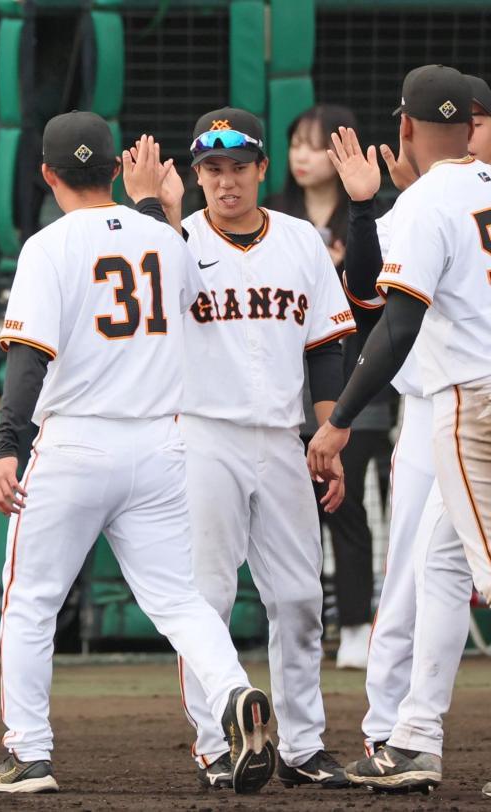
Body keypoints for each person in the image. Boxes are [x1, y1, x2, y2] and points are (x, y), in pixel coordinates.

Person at [0, 113, 276, 796]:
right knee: (178, 598)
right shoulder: (169, 242)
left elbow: (28, 358)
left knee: (31, 603)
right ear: (114, 167)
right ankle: (232, 690)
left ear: (47, 174)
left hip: (77, 439)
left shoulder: (48, 245)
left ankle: (29, 754)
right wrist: (153, 207)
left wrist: (6, 447)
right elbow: (186, 298)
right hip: (161, 443)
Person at [167, 107, 355, 789]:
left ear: (260, 169)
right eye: (212, 168)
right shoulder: (175, 240)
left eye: (237, 166)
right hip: (202, 435)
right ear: (196, 175)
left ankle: (303, 747)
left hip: (281, 437)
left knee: (301, 597)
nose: (225, 180)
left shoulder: (301, 240)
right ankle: (218, 744)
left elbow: (328, 347)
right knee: (205, 599)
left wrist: (329, 435)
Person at [318, 68, 491, 793]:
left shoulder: (428, 200)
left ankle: (411, 735)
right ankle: (414, 738)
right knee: (442, 569)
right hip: (466, 393)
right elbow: (372, 288)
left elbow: (395, 325)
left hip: (469, 403)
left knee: (478, 568)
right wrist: (371, 206)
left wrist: (337, 419)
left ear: (406, 128)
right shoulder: (466, 190)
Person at [270, 104, 396, 669]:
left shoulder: (371, 216)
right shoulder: (275, 218)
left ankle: (353, 627)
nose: (302, 155)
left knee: (344, 508)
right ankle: (299, 632)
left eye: (313, 144)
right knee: (290, 513)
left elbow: (384, 302)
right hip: (284, 391)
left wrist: (346, 266)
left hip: (356, 387)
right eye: (295, 143)